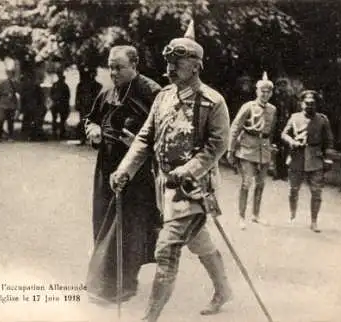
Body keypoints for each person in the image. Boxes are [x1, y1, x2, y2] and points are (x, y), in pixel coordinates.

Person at [110, 21, 232, 321]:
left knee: (166, 249)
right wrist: (125, 169)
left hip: (195, 189)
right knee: (198, 240)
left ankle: (149, 317)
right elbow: (145, 138)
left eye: (177, 63)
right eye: (168, 62)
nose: (170, 68)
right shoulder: (163, 97)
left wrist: (188, 170)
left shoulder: (212, 102)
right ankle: (224, 289)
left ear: (196, 67)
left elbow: (217, 146)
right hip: (164, 186)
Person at [85, 45, 161, 303]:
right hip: (105, 167)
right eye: (110, 66)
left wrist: (140, 147)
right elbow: (91, 118)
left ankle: (125, 283)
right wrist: (93, 130)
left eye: (119, 67)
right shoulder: (107, 92)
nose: (113, 72)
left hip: (135, 172)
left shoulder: (152, 93)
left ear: (134, 64)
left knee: (130, 227)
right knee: (103, 221)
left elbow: (164, 134)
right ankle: (108, 280)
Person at [227, 72, 277, 230]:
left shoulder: (272, 109)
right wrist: (230, 149)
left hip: (264, 150)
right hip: (248, 149)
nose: (265, 94)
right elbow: (235, 127)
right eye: (262, 91)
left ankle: (256, 215)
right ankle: (241, 217)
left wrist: (271, 147)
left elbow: (271, 131)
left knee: (261, 184)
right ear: (256, 91)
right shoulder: (248, 107)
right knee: (246, 183)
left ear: (271, 93)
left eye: (268, 91)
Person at [281, 90, 335, 233]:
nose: (309, 106)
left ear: (316, 105)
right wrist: (292, 141)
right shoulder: (294, 117)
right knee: (293, 190)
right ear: (301, 104)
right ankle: (292, 215)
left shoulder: (322, 119)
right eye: (306, 103)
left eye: (312, 104)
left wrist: (328, 158)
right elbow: (284, 134)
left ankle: (314, 221)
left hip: (315, 158)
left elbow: (329, 141)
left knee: (316, 192)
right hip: (296, 157)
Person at [270, 77, 296, 180]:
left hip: (287, 126)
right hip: (277, 127)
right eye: (280, 85)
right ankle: (277, 172)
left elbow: (293, 112)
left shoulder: (291, 98)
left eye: (284, 85)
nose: (282, 87)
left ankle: (284, 173)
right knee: (276, 150)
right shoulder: (274, 98)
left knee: (286, 151)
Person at [0, 67, 21, 143]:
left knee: (10, 121)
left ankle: (10, 137)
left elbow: (19, 93)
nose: (10, 75)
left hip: (11, 105)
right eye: (8, 73)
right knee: (1, 120)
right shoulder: (3, 83)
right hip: (3, 104)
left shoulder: (16, 83)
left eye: (11, 73)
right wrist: (5, 94)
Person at [75, 68, 102, 145]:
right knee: (83, 122)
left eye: (93, 74)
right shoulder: (81, 85)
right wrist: (78, 105)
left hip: (93, 107)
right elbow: (78, 96)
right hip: (83, 107)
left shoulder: (98, 86)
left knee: (94, 123)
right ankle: (82, 139)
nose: (92, 76)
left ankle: (94, 140)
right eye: (91, 74)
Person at [50, 70, 71, 139]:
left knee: (59, 119)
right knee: (59, 119)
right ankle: (58, 133)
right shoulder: (63, 85)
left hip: (59, 104)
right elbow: (67, 96)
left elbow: (67, 96)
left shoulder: (59, 85)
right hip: (59, 104)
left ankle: (58, 133)